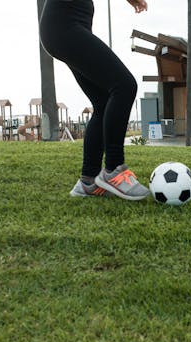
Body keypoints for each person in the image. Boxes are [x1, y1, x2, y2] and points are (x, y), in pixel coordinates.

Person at [39, 0, 150, 201]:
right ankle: (114, 170)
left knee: (104, 101)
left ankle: (88, 182)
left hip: (66, 27)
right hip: (64, 27)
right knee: (124, 86)